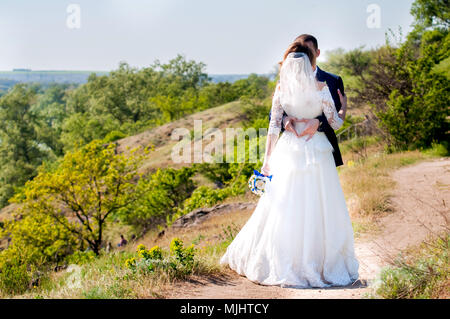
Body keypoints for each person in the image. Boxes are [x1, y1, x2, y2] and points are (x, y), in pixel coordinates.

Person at [219, 40, 359, 288]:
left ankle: (287, 259)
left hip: (289, 150)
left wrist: (267, 161)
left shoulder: (282, 89)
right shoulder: (321, 87)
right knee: (320, 204)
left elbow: (273, 127)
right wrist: (344, 108)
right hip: (317, 150)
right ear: (309, 63)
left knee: (286, 205)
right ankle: (319, 260)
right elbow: (336, 123)